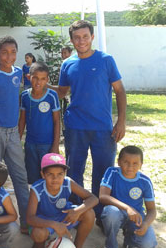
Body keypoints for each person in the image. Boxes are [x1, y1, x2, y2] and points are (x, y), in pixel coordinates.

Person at [54, 20, 127, 221]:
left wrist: (121, 122)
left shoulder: (106, 60)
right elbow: (62, 92)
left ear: (92, 37)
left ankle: (101, 215)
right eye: (77, 37)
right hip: (75, 127)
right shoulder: (67, 64)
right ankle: (77, 213)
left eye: (85, 36)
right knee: (74, 171)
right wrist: (39, 86)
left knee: (103, 174)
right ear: (71, 40)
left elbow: (120, 91)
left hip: (103, 129)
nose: (81, 41)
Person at [0, 35, 29, 234]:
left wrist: (18, 131)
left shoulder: (18, 72)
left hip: (13, 133)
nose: (9, 56)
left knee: (20, 175)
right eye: (4, 52)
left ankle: (27, 221)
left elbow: (17, 104)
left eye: (13, 52)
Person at [26, 153, 98, 248]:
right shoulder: (36, 188)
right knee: (38, 234)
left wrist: (77, 211)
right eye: (50, 174)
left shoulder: (68, 182)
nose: (55, 179)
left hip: (64, 215)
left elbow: (93, 198)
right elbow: (30, 218)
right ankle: (39, 245)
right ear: (42, 174)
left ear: (64, 174)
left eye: (60, 174)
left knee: (89, 214)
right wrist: (53, 224)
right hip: (44, 219)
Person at [99, 146, 157, 248]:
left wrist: (145, 224)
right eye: (126, 162)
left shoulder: (145, 181)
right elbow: (103, 196)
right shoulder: (112, 172)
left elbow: (152, 210)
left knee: (148, 242)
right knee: (111, 213)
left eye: (135, 163)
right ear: (119, 162)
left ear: (141, 164)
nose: (130, 166)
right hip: (116, 212)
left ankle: (129, 238)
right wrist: (127, 208)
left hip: (135, 217)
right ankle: (111, 246)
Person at [19, 62, 61, 184]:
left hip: (47, 145)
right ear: (29, 77)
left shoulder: (52, 96)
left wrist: (55, 145)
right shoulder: (25, 96)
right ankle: (34, 201)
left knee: (48, 177)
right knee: (32, 178)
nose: (38, 82)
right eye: (35, 78)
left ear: (47, 80)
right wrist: (18, 141)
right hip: (30, 144)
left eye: (43, 79)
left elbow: (57, 121)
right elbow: (22, 120)